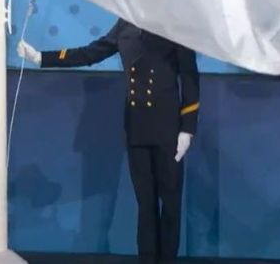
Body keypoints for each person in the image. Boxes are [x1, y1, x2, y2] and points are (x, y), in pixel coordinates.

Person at [18, 19, 199, 264]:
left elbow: (189, 76)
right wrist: (41, 58)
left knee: (170, 204)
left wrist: (187, 128)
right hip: (137, 126)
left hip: (169, 129)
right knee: (145, 206)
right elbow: (91, 53)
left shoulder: (174, 23)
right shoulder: (125, 25)